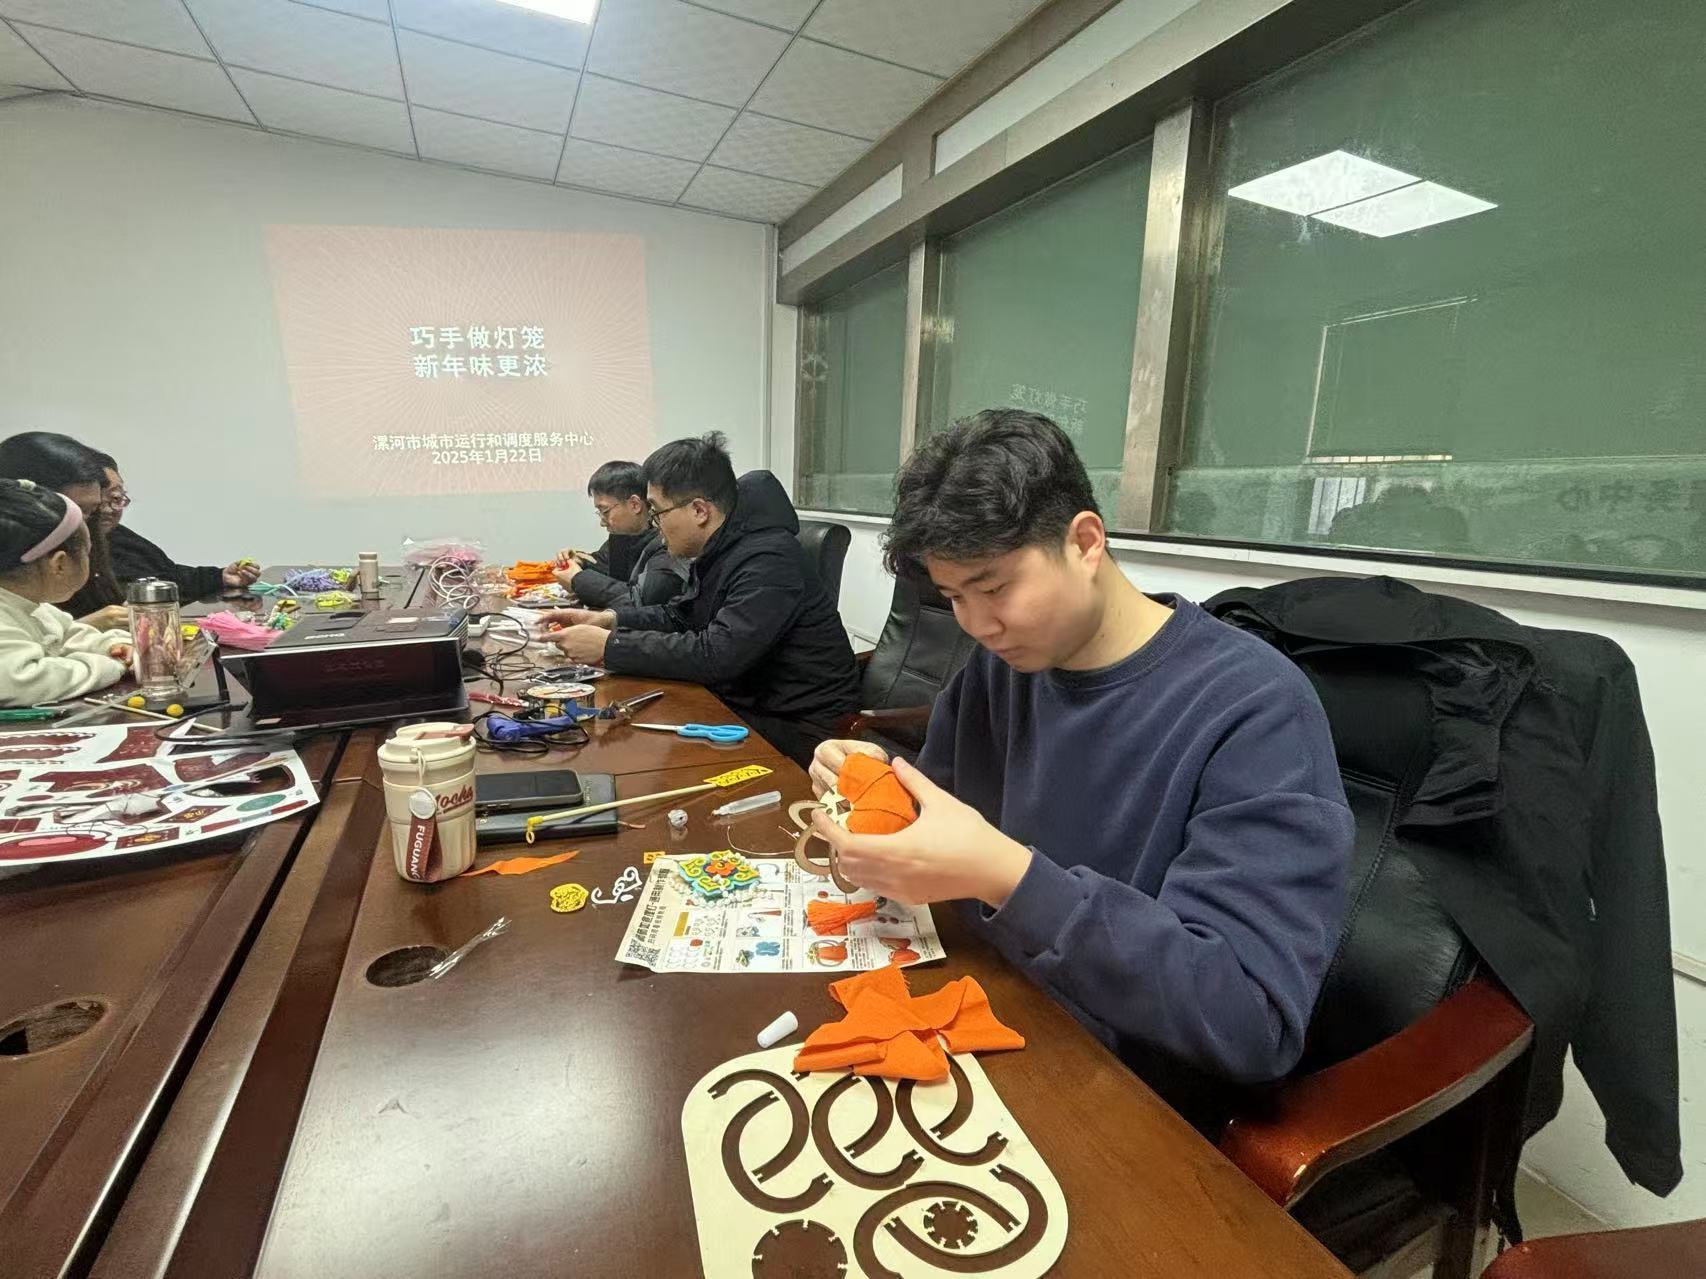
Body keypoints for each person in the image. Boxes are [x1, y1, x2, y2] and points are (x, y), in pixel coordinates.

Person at [805, 410, 1354, 1126]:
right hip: (990, 1023)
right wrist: (876, 791)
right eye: (954, 598)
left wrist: (1009, 876)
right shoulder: (1001, 669)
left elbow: (1249, 1020)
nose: (977, 624)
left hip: (1127, 1099)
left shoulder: (1256, 708)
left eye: (994, 588)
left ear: (1086, 542)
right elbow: (934, 836)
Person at [540, 433, 860, 766]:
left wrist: (610, 647)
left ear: (699, 510)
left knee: (633, 747)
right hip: (745, 699)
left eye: (658, 512)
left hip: (799, 725)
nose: (655, 525)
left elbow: (718, 654)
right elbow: (682, 615)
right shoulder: (724, 546)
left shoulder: (769, 559)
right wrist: (609, 620)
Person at [0, 478, 133, 706]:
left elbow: (69, 635)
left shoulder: (35, 607)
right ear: (59, 564)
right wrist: (112, 666)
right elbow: (22, 680)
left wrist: (111, 646)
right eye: (87, 552)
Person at [0, 432, 126, 629]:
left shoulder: (95, 531)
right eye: (75, 509)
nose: (81, 524)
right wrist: (90, 624)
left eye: (90, 510)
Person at [89, 452, 260, 597]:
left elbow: (170, 575)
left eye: (116, 498)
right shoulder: (77, 548)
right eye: (99, 499)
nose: (107, 509)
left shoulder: (121, 537)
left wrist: (221, 577)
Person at [553, 460, 685, 608]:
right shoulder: (624, 537)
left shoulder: (667, 543)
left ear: (635, 505)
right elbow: (603, 563)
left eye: (605, 511)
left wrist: (577, 579)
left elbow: (639, 600)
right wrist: (579, 561)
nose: (602, 522)